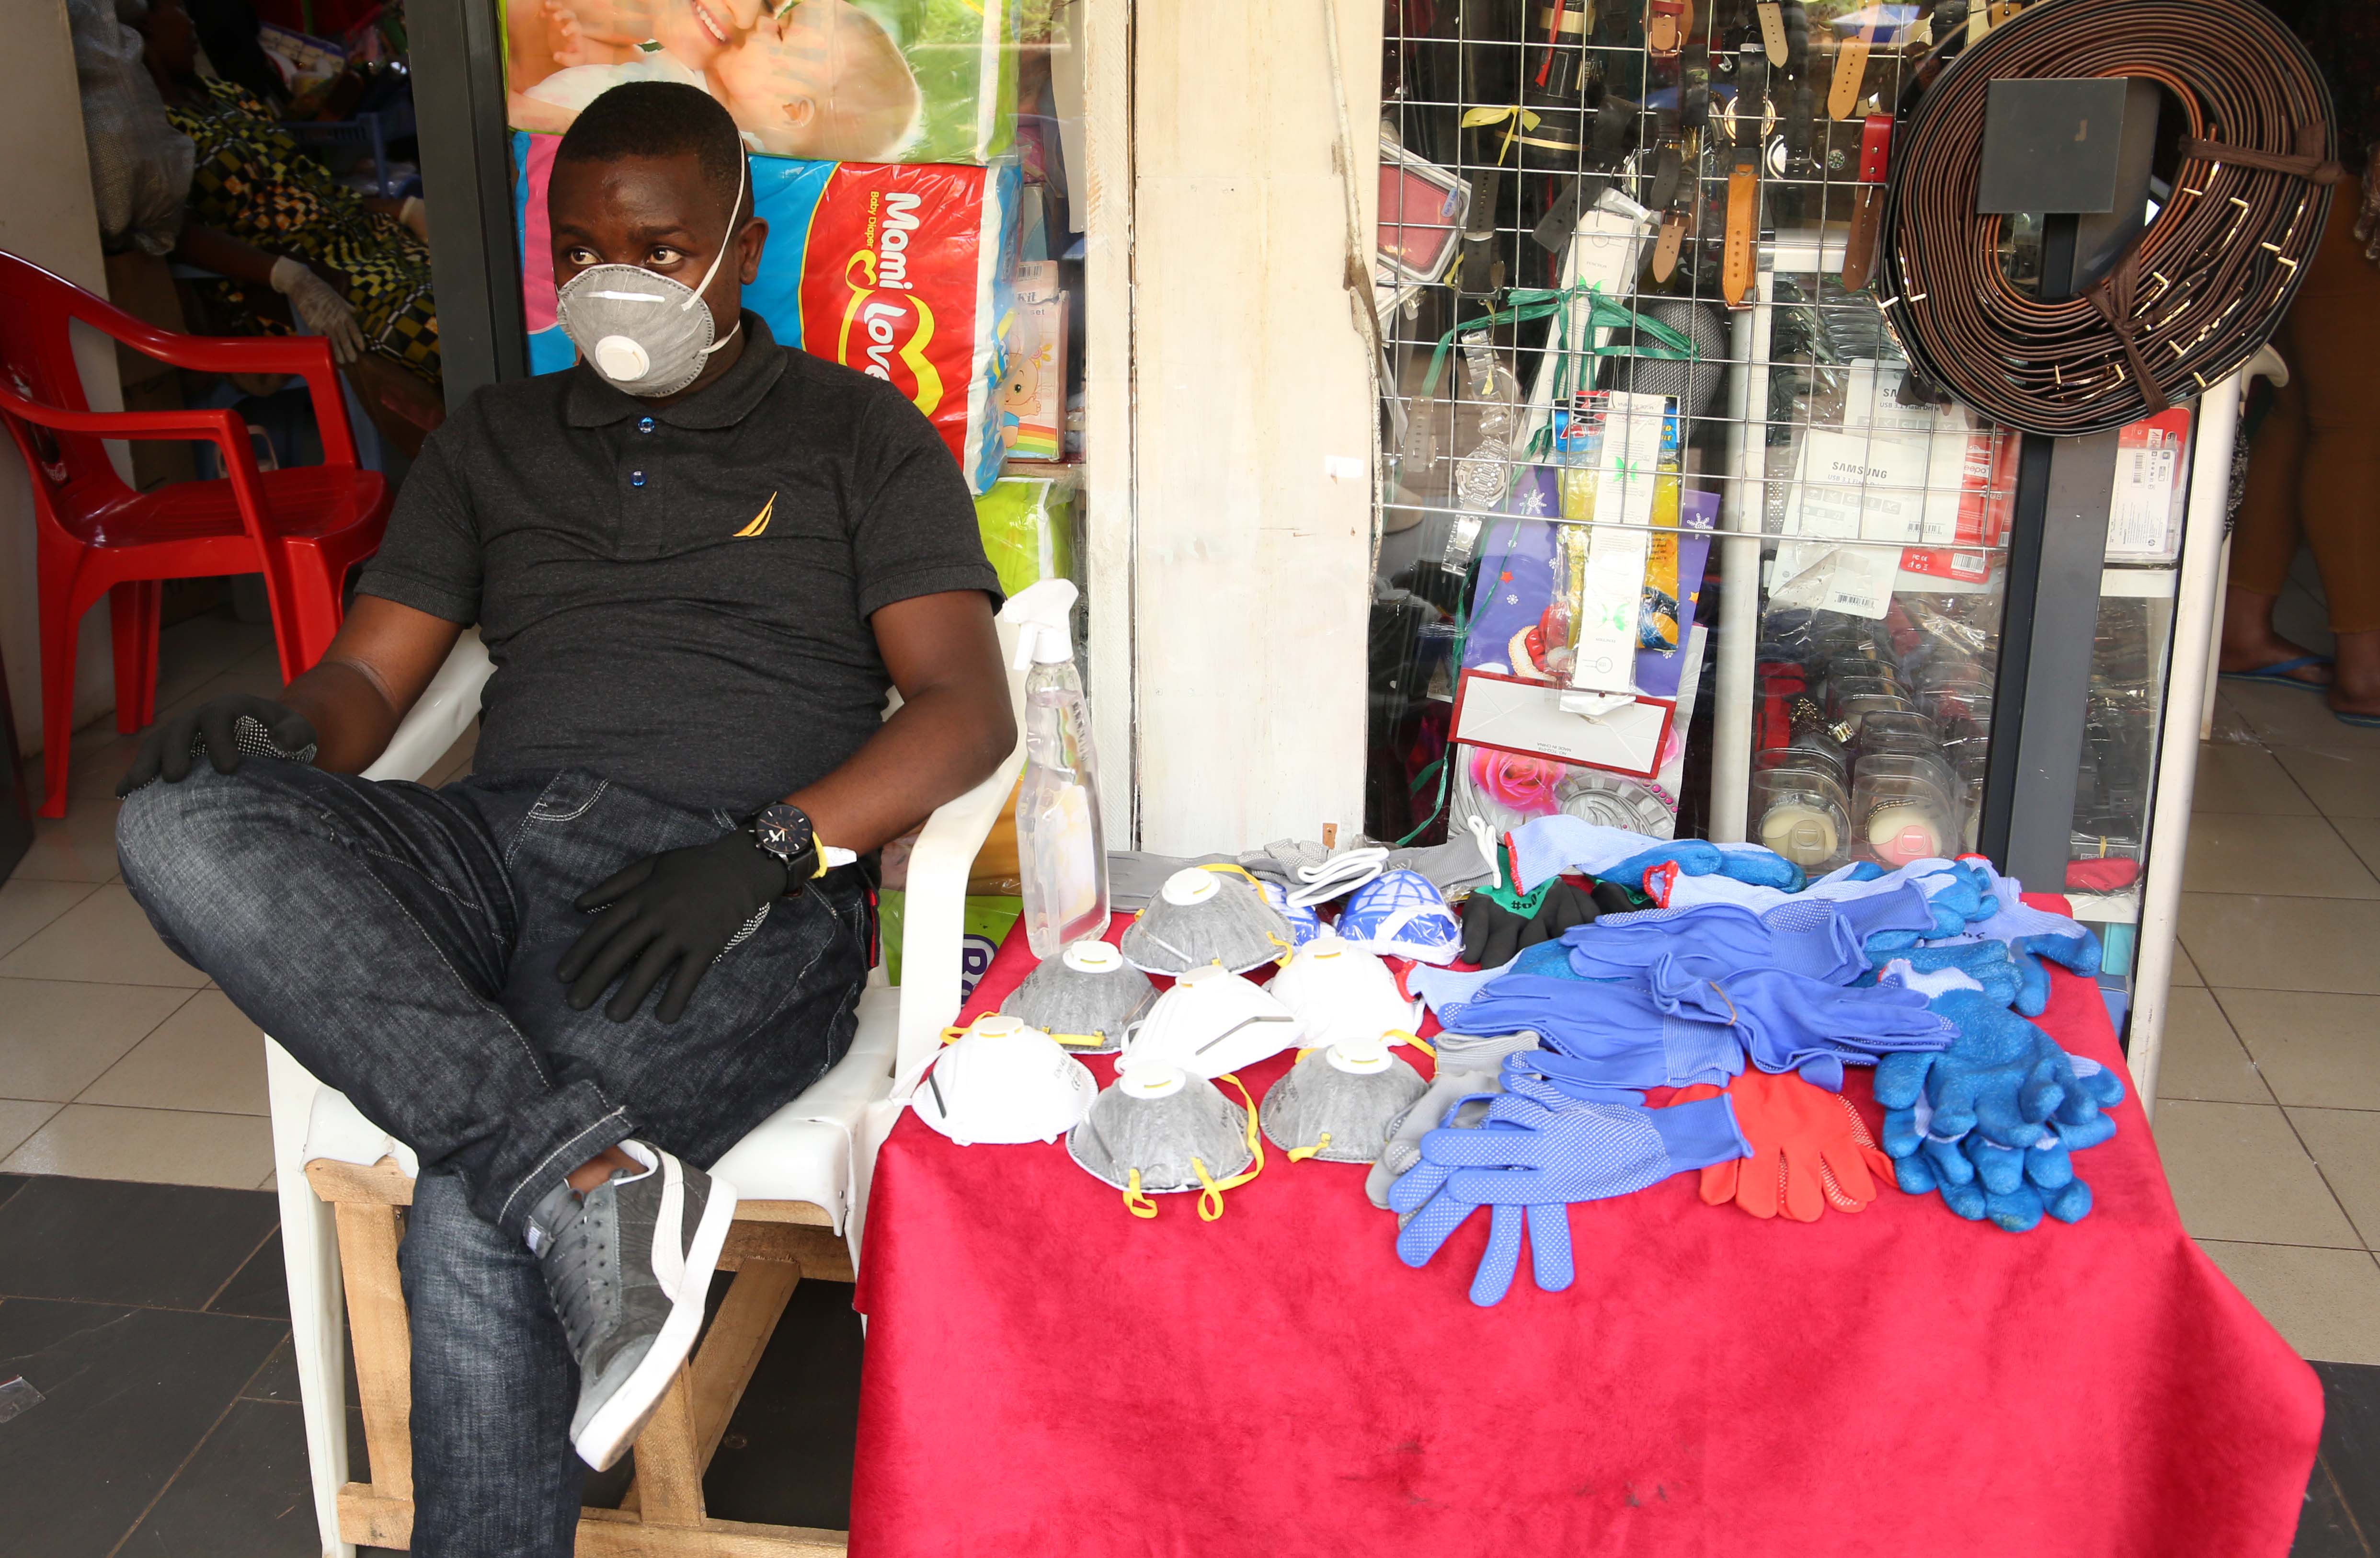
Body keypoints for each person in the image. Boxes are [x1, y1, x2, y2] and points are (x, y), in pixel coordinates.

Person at [114, 80, 1012, 1552]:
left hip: (728, 891)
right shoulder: (492, 441)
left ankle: (544, 1186)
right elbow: (368, 679)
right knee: (184, 825)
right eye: (583, 244)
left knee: (480, 1214)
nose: (617, 282)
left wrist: (767, 854)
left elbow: (964, 709)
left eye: (658, 251)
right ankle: (584, 1170)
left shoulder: (857, 433)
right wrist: (281, 726)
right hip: (500, 844)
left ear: (737, 249)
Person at [137, 0, 446, 449]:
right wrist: (285, 275)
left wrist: (400, 211)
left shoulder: (228, 97)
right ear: (143, 29)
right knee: (437, 319)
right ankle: (476, 467)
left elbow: (310, 186)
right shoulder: (160, 134)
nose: (190, 21)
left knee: (474, 284)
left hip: (364, 243)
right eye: (174, 9)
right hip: (295, 282)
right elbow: (174, 233)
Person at [2221, 0, 2380, 726]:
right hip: (2336, 157)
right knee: (2361, 424)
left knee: (2300, 406)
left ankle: (2240, 627)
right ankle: (2366, 672)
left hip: (2279, 154)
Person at [508, 0, 920, 160]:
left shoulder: (703, 139)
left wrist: (516, 111)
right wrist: (583, 55)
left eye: (779, 28)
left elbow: (586, 131)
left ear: (791, 110)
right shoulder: (699, 79)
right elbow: (622, 80)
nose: (759, 22)